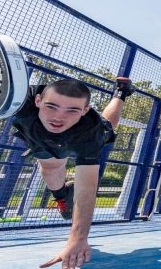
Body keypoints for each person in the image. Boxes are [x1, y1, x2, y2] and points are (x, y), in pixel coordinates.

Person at [13, 77, 135, 269]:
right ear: (37, 101)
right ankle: (63, 197)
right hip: (37, 136)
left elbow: (86, 188)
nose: (58, 117)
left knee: (107, 126)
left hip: (79, 136)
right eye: (51, 106)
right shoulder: (19, 99)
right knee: (50, 168)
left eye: (72, 110)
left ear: (85, 111)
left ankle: (122, 93)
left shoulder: (90, 132)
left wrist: (77, 239)